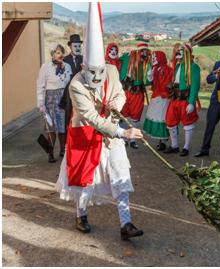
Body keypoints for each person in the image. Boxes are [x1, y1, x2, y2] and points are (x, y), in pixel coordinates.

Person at [56, 3, 144, 240]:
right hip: (84, 132)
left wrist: (117, 104)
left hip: (110, 133)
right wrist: (123, 133)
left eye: (100, 71)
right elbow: (91, 117)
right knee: (84, 177)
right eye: (91, 72)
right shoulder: (75, 85)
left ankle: (126, 224)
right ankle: (81, 214)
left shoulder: (112, 71)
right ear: (83, 66)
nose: (96, 77)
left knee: (120, 173)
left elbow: (120, 93)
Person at [37, 44, 72, 163]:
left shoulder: (67, 66)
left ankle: (63, 150)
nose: (60, 54)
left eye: (61, 52)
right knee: (50, 128)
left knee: (62, 127)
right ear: (52, 54)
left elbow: (68, 83)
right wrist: (41, 103)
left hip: (63, 99)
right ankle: (50, 153)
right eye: (57, 52)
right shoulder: (45, 67)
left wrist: (63, 69)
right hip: (50, 100)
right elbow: (40, 85)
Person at [164, 43, 200, 156]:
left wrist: (191, 103)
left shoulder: (193, 67)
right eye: (177, 51)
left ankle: (186, 147)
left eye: (181, 51)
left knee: (188, 123)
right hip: (175, 99)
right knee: (170, 121)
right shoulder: (178, 66)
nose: (178, 53)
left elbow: (195, 86)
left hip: (185, 99)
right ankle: (174, 145)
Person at [119, 42, 152, 149]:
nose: (143, 53)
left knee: (135, 117)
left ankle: (133, 139)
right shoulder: (126, 57)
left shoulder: (146, 64)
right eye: (141, 51)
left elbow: (147, 81)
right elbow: (116, 61)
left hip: (137, 93)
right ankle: (123, 138)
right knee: (123, 115)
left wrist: (150, 76)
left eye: (145, 51)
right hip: (124, 90)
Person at [143, 51, 172, 151]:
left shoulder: (168, 69)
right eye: (153, 57)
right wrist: (150, 70)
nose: (153, 59)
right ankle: (161, 141)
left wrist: (165, 92)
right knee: (155, 116)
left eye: (155, 57)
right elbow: (149, 81)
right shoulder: (154, 69)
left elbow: (169, 83)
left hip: (163, 98)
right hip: (156, 96)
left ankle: (164, 141)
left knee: (162, 118)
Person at [59, 34, 83, 135]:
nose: (77, 48)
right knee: (69, 114)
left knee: (81, 113)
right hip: (69, 92)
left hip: (82, 91)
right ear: (70, 46)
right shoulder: (64, 60)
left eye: (79, 46)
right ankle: (67, 140)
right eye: (75, 46)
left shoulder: (84, 59)